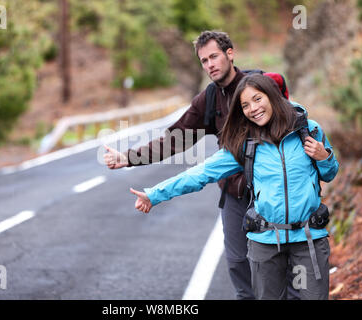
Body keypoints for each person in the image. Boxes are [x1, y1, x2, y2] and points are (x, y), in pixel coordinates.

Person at [104, 30, 295, 299]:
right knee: (239, 264)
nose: (210, 65)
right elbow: (175, 139)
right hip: (235, 194)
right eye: (204, 61)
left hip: (273, 190)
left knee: (277, 267)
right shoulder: (209, 99)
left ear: (230, 54)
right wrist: (128, 158)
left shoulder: (258, 87)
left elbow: (292, 128)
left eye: (214, 57)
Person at [130, 73, 339, 300]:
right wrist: (155, 195)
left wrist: (323, 156)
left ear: (272, 96)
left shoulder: (309, 130)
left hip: (307, 241)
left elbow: (329, 173)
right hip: (266, 243)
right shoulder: (244, 143)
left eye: (258, 99)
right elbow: (200, 174)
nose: (253, 108)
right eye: (245, 105)